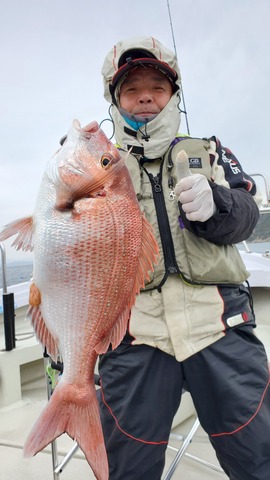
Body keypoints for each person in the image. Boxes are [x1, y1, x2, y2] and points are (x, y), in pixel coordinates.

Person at [97, 36, 270, 480]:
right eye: (133, 89)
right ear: (115, 100)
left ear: (174, 94)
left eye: (157, 85)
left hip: (219, 325)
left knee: (258, 460)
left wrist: (218, 205)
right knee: (129, 470)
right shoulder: (98, 167)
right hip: (135, 336)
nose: (146, 97)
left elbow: (248, 216)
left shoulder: (209, 150)